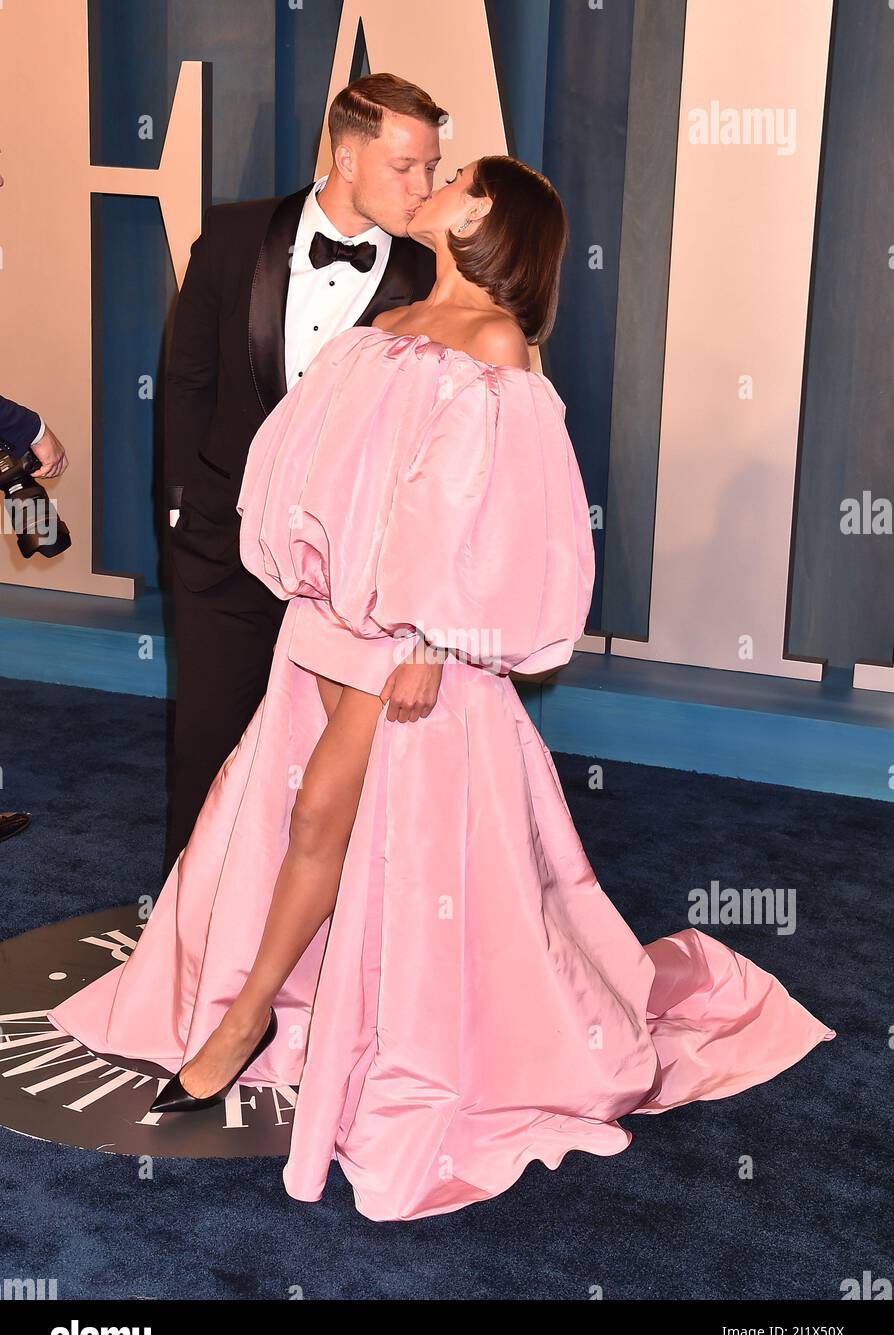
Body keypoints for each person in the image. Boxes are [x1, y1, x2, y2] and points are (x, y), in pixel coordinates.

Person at [47, 155, 835, 1223]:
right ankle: (304, 1001)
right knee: (296, 818)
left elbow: (491, 506)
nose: (433, 179)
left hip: (403, 639)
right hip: (323, 622)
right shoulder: (392, 318)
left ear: (486, 218)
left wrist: (432, 633)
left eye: (454, 175)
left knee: (320, 813)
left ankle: (238, 1033)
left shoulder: (500, 344)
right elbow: (314, 464)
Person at [163, 73, 445, 875]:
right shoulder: (233, 233)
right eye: (406, 167)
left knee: (333, 778)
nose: (423, 188)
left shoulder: (430, 280)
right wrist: (182, 513)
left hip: (351, 579)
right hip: (223, 547)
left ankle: (319, 959)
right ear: (347, 157)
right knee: (210, 745)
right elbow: (187, 380)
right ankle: (188, 940)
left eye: (432, 167)